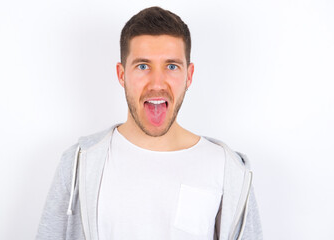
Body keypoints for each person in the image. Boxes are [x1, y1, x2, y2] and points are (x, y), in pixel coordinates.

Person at [36, 6, 263, 240]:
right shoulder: (78, 163)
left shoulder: (228, 169)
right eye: (143, 66)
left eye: (171, 66)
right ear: (122, 74)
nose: (157, 83)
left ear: (189, 75)